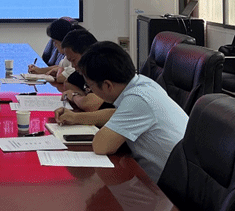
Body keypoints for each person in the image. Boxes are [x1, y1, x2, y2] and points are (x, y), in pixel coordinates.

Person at [54, 41, 188, 183]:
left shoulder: (138, 99)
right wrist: (76, 117)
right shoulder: (142, 83)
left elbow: (101, 145)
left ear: (107, 85)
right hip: (170, 174)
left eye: (90, 86)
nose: (90, 91)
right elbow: (116, 114)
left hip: (167, 188)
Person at [58, 28, 112, 112]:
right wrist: (83, 96)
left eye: (73, 60)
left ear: (86, 54)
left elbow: (89, 105)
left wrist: (74, 96)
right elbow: (67, 83)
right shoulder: (84, 71)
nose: (73, 65)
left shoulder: (104, 69)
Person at [28, 18, 80, 84]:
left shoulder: (75, 54)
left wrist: (59, 70)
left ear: (63, 41)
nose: (54, 45)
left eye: (55, 42)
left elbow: (60, 78)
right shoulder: (68, 55)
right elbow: (60, 66)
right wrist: (39, 70)